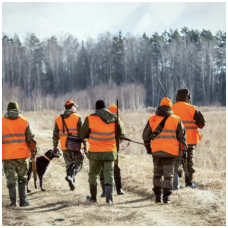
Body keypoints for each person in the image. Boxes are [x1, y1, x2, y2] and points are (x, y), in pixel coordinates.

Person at [142, 97, 186, 204]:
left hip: (156, 152)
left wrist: (149, 148)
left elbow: (145, 135)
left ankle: (157, 196)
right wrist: (183, 151)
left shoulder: (152, 119)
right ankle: (166, 198)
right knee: (168, 175)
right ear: (170, 107)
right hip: (171, 153)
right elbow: (182, 139)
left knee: (157, 174)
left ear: (160, 105)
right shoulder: (176, 119)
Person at [80, 100, 125, 204]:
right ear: (106, 108)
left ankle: (93, 199)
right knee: (109, 174)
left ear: (96, 108)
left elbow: (83, 133)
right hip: (110, 151)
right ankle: (109, 200)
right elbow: (121, 134)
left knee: (93, 174)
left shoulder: (90, 118)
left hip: (95, 151)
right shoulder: (115, 117)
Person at [2, 101, 35, 207]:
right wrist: (33, 153)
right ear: (17, 109)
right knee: (22, 177)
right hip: (22, 155)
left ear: (7, 110)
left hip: (7, 156)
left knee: (11, 179)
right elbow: (30, 139)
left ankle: (12, 203)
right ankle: (23, 201)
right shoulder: (24, 121)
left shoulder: (1, 122)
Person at [172, 89, 206, 188]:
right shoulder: (193, 109)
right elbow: (202, 123)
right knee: (188, 161)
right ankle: (189, 183)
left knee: (176, 161)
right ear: (188, 98)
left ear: (177, 97)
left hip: (175, 140)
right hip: (190, 140)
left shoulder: (171, 108)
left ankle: (175, 184)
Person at [53, 100, 85, 191]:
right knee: (78, 163)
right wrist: (85, 145)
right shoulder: (77, 117)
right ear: (72, 107)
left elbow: (55, 135)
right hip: (76, 145)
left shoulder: (58, 119)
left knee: (69, 165)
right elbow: (82, 134)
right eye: (75, 107)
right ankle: (71, 176)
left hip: (64, 146)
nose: (75, 108)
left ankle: (72, 183)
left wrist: (55, 146)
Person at [99, 105, 125, 197]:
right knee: (116, 168)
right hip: (112, 149)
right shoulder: (117, 121)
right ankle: (119, 189)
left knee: (103, 169)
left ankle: (105, 191)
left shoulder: (100, 120)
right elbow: (122, 135)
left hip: (102, 149)